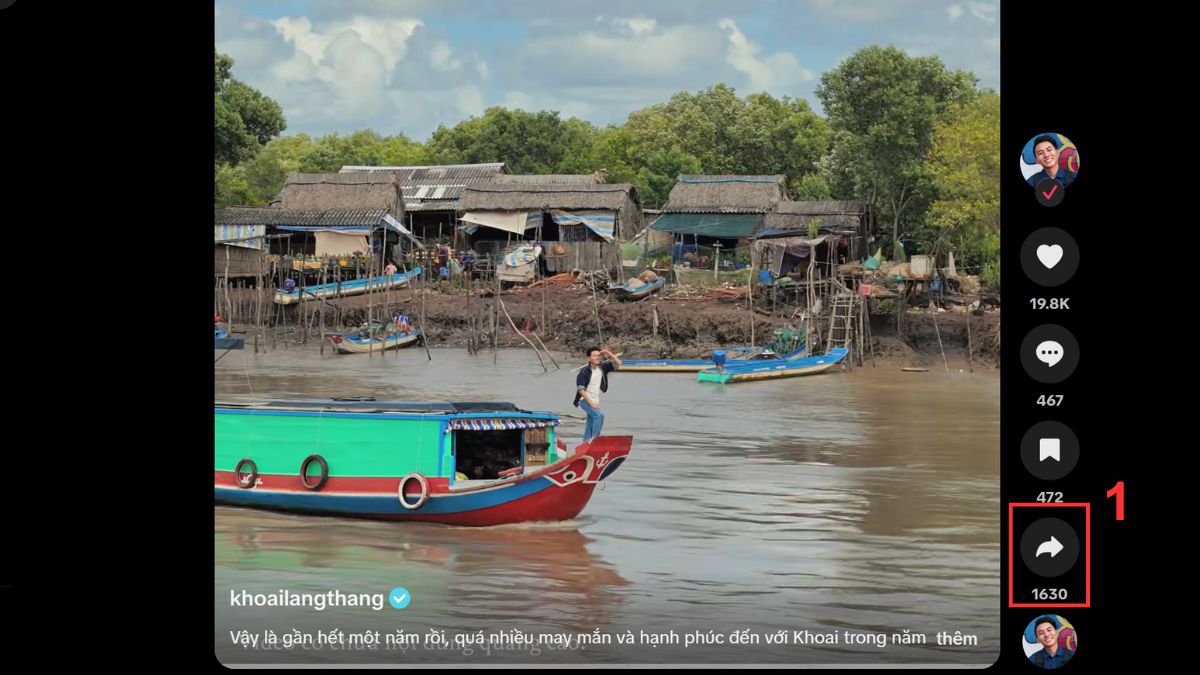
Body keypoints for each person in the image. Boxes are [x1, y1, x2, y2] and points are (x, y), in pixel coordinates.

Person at [573, 347, 622, 443]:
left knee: (590, 422)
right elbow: (581, 390)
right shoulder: (584, 372)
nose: (597, 357)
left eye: (599, 355)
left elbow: (618, 363)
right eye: (594, 356)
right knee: (599, 416)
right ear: (589, 358)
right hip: (584, 400)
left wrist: (608, 353)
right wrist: (591, 403)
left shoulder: (602, 368)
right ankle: (595, 440)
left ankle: (585, 443)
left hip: (595, 401)